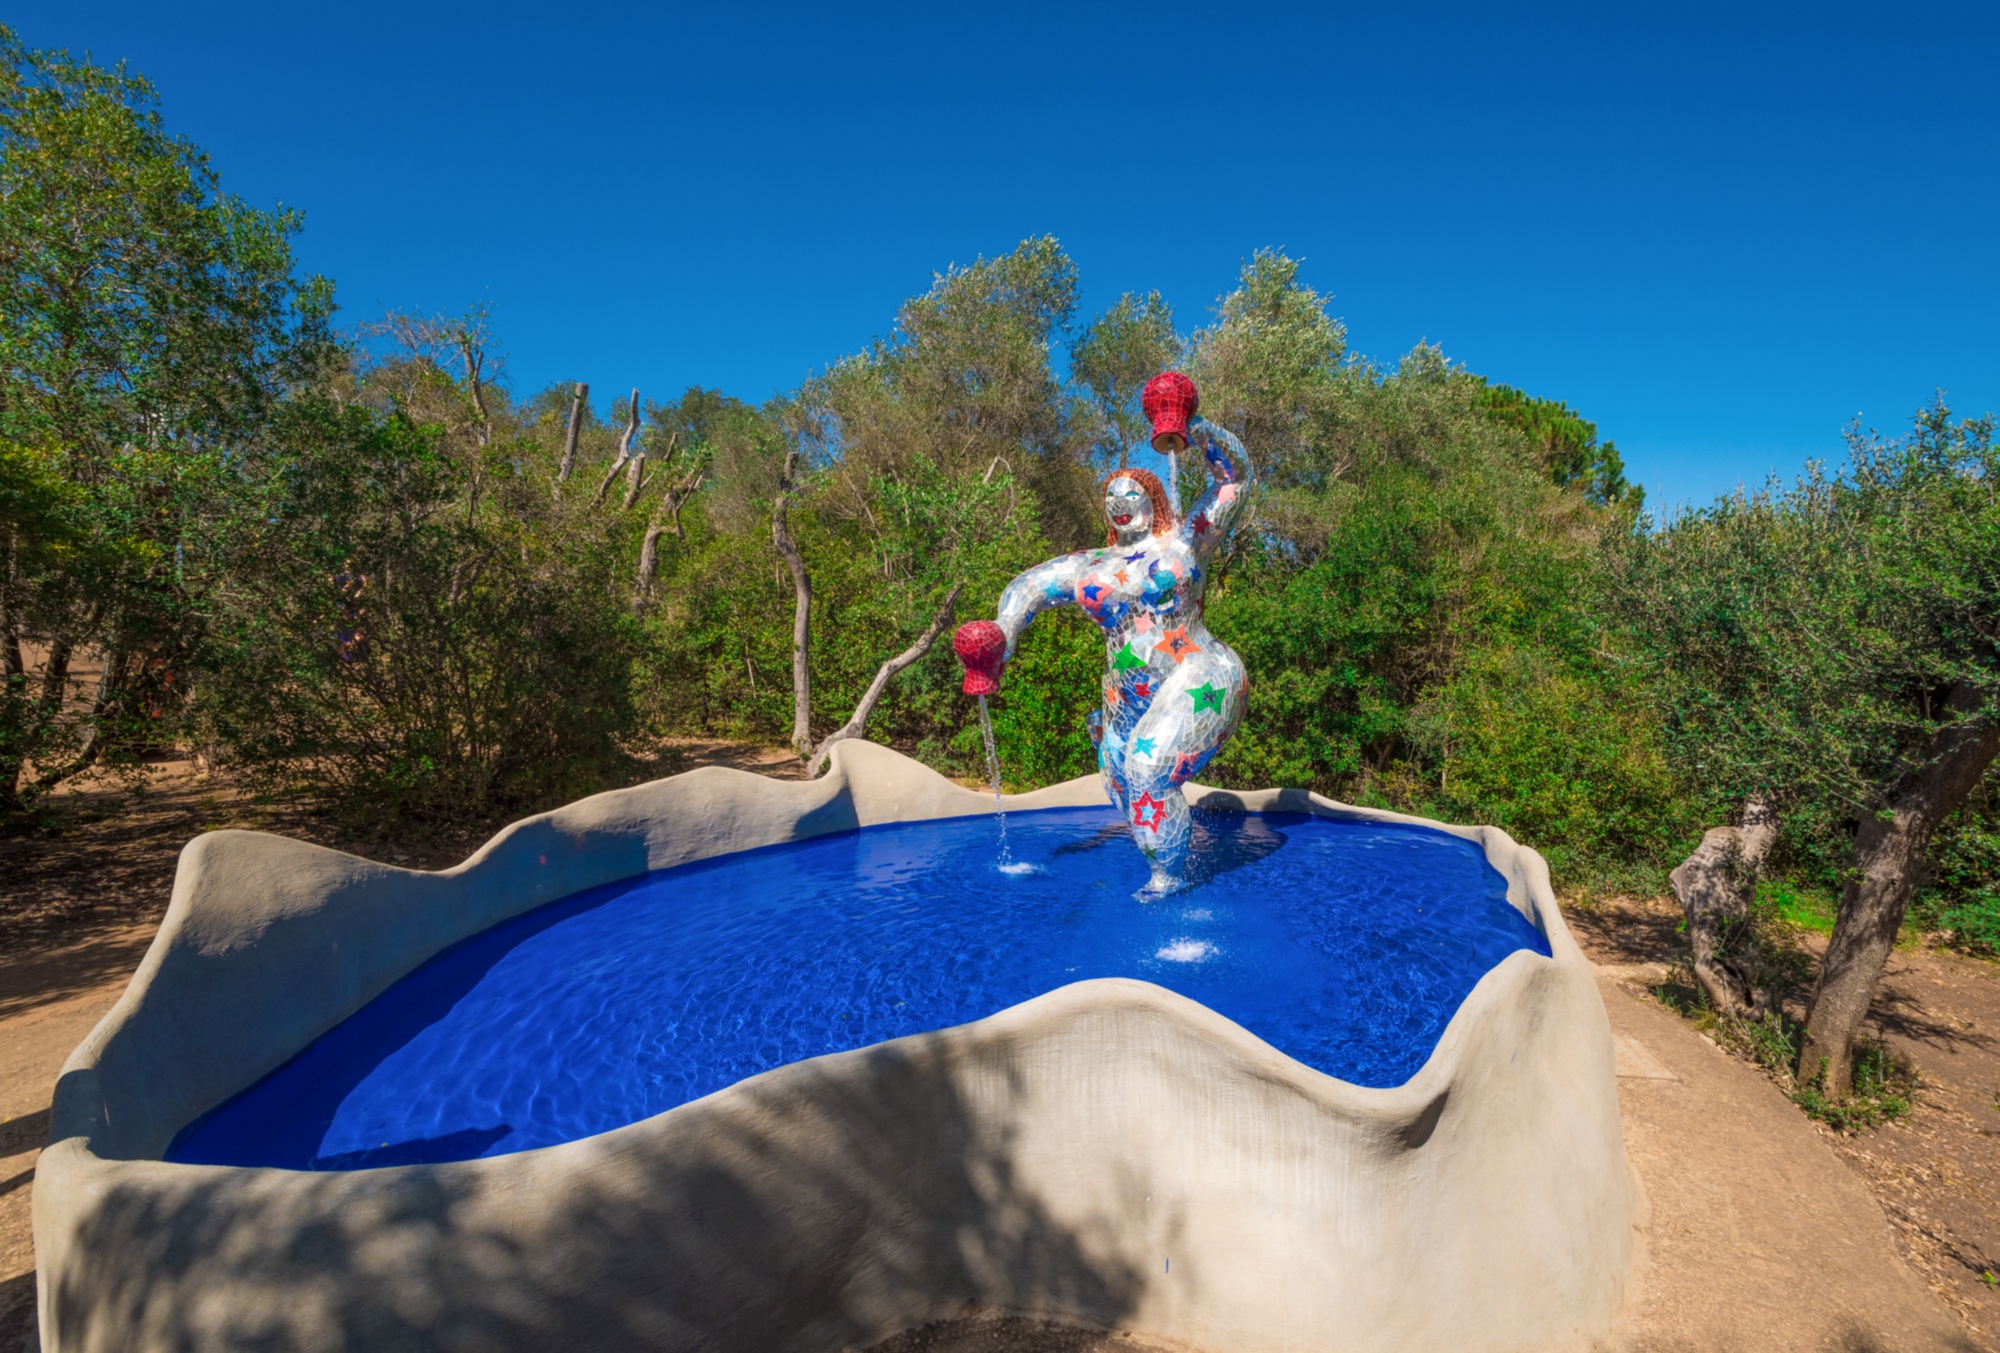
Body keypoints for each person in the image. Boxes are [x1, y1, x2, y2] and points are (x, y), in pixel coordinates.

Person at [960, 373, 1252, 894]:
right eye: (1111, 495)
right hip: (1125, 699)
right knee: (1121, 787)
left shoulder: (1186, 542)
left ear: (1153, 498)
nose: (1120, 502)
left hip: (1199, 672)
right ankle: (1175, 859)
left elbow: (1234, 482)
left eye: (1132, 492)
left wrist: (1195, 426)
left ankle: (1169, 884)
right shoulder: (1091, 564)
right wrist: (1004, 632)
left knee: (1146, 771)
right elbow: (1028, 586)